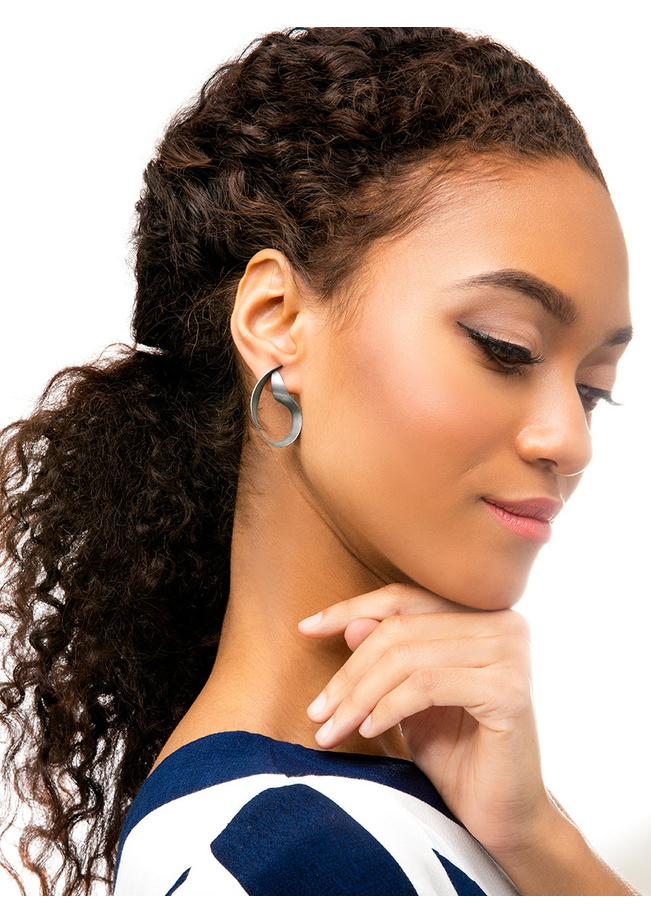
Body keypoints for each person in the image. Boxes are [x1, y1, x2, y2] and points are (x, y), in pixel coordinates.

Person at [0, 26, 638, 896]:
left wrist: (539, 841)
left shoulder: (405, 812)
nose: (570, 441)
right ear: (275, 323)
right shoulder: (288, 857)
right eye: (506, 347)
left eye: (593, 388)